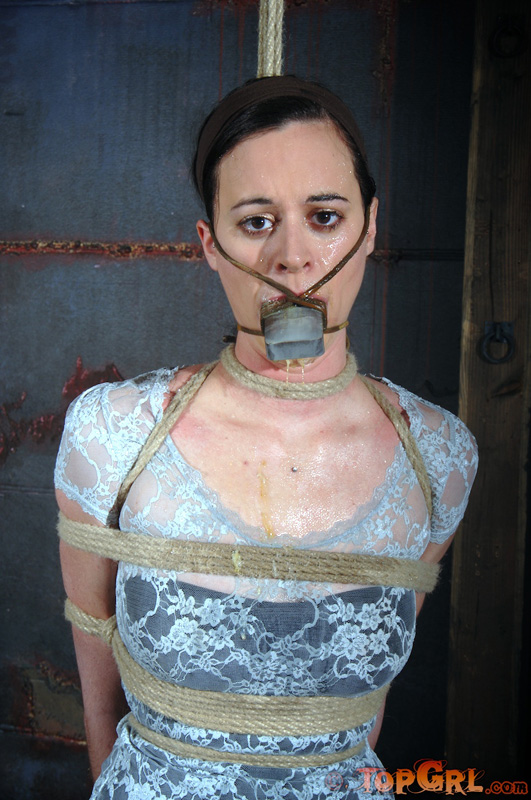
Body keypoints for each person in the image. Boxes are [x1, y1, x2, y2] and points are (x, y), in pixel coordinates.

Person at [55, 75, 478, 800]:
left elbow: (359, 713)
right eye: (256, 222)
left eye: (325, 217)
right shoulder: (113, 436)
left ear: (369, 228)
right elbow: (98, 681)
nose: (292, 258)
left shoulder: (438, 456)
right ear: (210, 244)